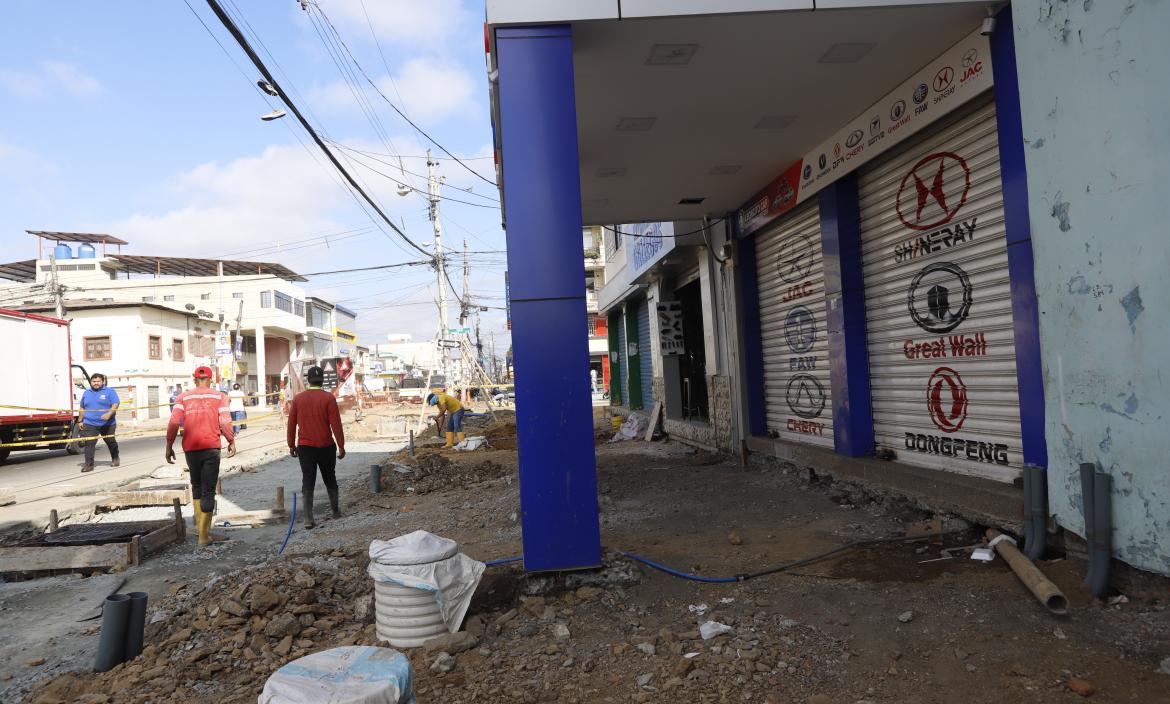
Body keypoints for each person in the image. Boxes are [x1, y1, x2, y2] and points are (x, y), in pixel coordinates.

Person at [165, 366, 236, 547]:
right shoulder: (220, 397)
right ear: (210, 379)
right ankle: (203, 536)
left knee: (196, 485)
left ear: (194, 379)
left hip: (191, 448)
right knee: (208, 490)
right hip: (211, 447)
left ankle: (200, 529)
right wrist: (231, 440)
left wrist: (169, 445)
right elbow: (225, 421)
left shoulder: (183, 397)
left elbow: (174, 422)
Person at [287, 366, 345, 529]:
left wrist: (291, 444)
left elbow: (291, 424)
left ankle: (308, 519)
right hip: (326, 446)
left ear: (308, 380)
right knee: (330, 478)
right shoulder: (328, 398)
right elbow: (336, 424)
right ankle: (335, 511)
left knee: (308, 480)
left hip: (306, 448)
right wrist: (341, 445)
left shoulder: (298, 399)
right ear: (323, 380)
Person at [79, 373, 120, 473]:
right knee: (89, 443)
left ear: (102, 382)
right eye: (94, 381)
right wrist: (80, 420)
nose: (96, 383)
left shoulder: (110, 391)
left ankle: (115, 458)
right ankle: (88, 465)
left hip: (107, 423)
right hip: (90, 423)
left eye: (98, 381)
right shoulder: (86, 392)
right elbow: (82, 407)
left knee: (110, 441)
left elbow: (116, 404)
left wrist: (109, 414)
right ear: (91, 382)